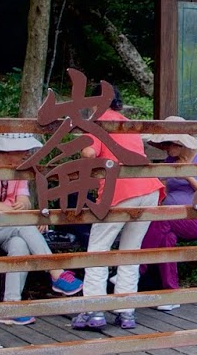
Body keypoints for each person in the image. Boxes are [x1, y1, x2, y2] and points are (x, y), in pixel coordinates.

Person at [0, 133, 82, 325]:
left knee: (20, 244)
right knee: (22, 224)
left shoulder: (20, 167)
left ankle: (11, 306)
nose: (27, 153)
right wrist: (27, 217)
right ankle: (56, 271)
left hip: (7, 227)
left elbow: (24, 199)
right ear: (8, 150)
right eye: (23, 150)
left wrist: (24, 207)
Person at [68, 85, 163, 331]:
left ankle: (94, 310)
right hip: (149, 189)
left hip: (120, 190)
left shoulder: (97, 122)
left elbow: (89, 153)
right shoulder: (126, 122)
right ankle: (126, 311)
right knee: (131, 251)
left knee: (98, 250)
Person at [139, 118, 197, 313]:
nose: (165, 148)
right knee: (167, 239)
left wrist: (187, 175)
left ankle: (137, 267)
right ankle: (171, 294)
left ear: (180, 143)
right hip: (170, 218)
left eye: (168, 144)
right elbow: (161, 187)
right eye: (163, 144)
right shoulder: (169, 162)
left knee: (161, 219)